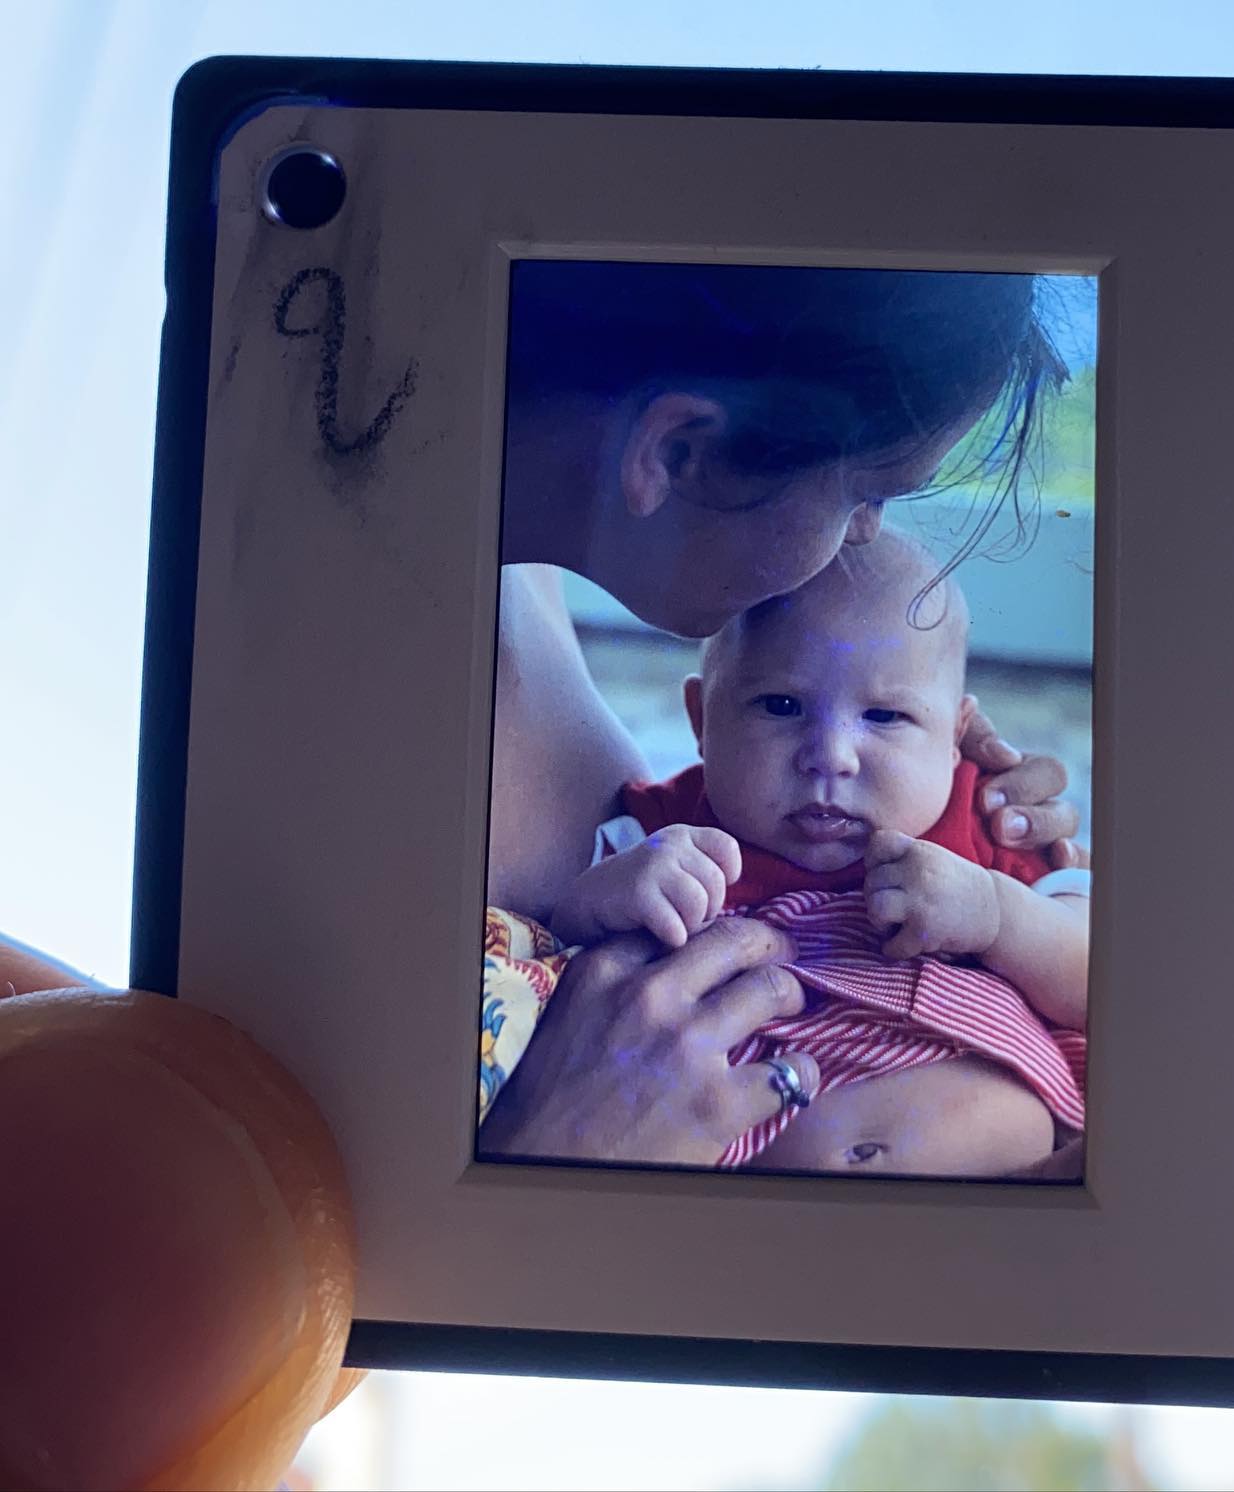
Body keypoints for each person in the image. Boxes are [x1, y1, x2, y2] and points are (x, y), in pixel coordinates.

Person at [3, 262, 1083, 1483]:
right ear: (675, 451)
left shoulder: (507, 600)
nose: (871, 545)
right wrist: (550, 1173)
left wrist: (956, 812)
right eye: (873, 493)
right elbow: (268, 1263)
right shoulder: (352, 696)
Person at [546, 532, 1088, 1177]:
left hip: (988, 1194)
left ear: (956, 738)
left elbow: (1096, 989)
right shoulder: (665, 829)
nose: (830, 755)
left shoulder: (990, 825)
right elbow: (560, 948)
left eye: (885, 716)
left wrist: (998, 915)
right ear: (701, 720)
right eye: (781, 705)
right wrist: (606, 896)